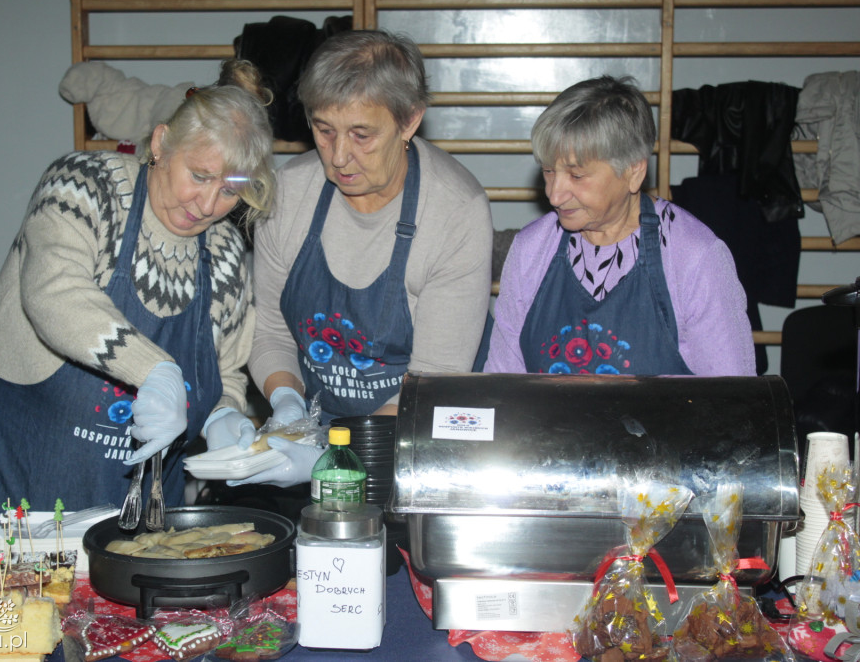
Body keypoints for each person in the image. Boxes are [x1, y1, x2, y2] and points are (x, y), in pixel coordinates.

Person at [0, 60, 275, 531]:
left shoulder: (226, 253)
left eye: (231, 190)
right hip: (7, 476)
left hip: (138, 506)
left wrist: (222, 418)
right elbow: (54, 291)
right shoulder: (86, 186)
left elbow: (224, 370)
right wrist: (154, 370)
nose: (208, 205)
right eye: (198, 175)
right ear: (161, 143)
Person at [239, 29, 494, 487]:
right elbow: (272, 332)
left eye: (362, 135)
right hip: (316, 425)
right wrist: (287, 405)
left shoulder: (456, 211)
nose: (339, 156)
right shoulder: (289, 195)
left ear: (409, 120)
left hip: (424, 436)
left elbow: (435, 380)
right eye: (324, 130)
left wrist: (331, 457)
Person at [484, 75, 755, 377]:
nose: (554, 195)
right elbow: (502, 382)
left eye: (576, 175)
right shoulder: (530, 250)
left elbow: (733, 396)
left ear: (633, 171)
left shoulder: (694, 257)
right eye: (548, 171)